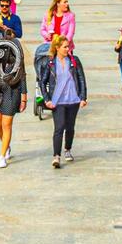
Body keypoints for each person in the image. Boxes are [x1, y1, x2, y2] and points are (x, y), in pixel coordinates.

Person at [38, 35, 87, 168]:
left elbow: (81, 79)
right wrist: (47, 99)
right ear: (57, 48)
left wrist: (83, 97)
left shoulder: (74, 61)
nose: (68, 49)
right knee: (59, 128)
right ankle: (56, 156)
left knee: (70, 128)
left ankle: (67, 149)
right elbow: (42, 82)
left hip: (73, 100)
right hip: (57, 101)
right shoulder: (50, 63)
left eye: (68, 46)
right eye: (65, 47)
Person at [0, 36, 29, 168]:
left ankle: (2, 156)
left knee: (6, 124)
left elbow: (23, 75)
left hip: (12, 92)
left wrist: (24, 96)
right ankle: (6, 144)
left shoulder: (17, 55)